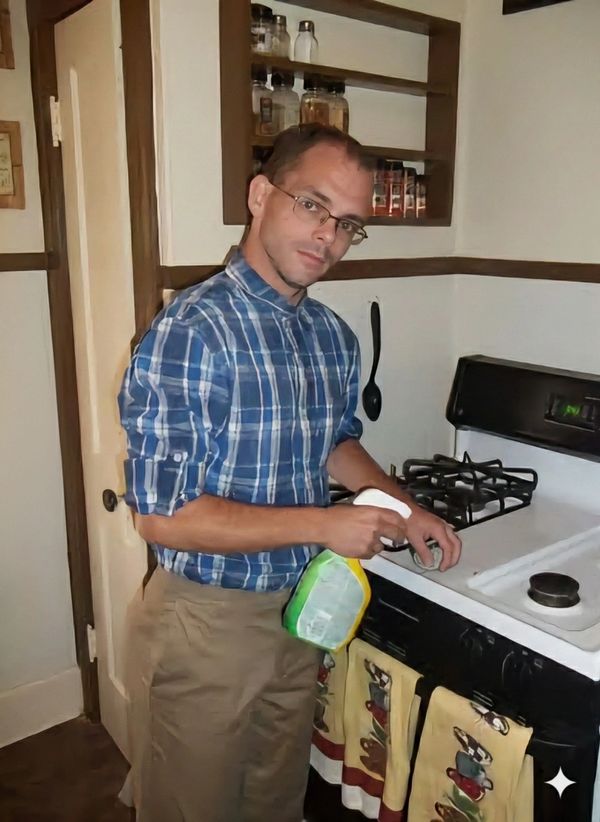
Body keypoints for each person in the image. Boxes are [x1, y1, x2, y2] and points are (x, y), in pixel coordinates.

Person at [118, 123, 461, 822]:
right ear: (260, 195)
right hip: (206, 623)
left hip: (302, 610)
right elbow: (162, 516)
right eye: (312, 205)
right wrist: (325, 525)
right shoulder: (195, 331)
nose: (328, 236)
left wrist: (404, 507)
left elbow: (334, 441)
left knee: (276, 802)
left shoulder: (330, 335)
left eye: (348, 224)